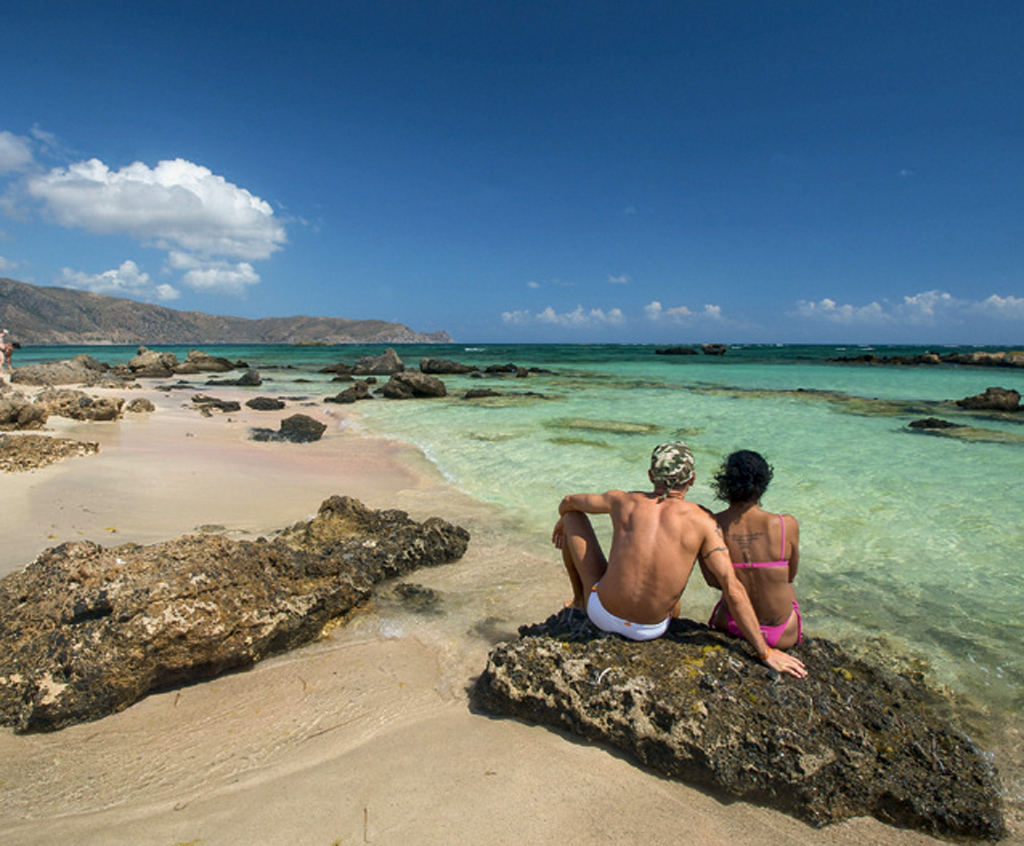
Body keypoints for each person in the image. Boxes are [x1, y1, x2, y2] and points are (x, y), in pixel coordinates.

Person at [553, 441, 807, 678]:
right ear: (692, 479)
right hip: (652, 629)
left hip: (603, 615)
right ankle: (591, 603)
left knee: (572, 517)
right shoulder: (703, 521)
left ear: (651, 476)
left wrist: (563, 521)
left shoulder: (622, 500)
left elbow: (568, 501)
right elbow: (732, 587)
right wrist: (765, 652)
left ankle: (579, 602)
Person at [702, 450, 802, 650]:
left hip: (731, 624)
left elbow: (713, 582)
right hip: (781, 633)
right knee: (787, 586)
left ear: (725, 482)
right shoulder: (786, 524)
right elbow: (790, 576)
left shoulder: (712, 524)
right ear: (763, 483)